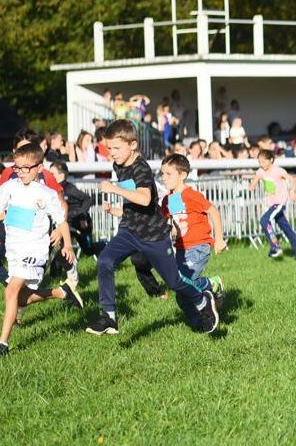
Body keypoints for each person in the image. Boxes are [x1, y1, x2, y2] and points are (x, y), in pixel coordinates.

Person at [87, 120, 219, 336]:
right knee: (105, 261)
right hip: (129, 230)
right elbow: (132, 202)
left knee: (174, 282)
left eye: (116, 148)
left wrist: (113, 189)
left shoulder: (141, 168)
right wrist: (116, 210)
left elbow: (145, 199)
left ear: (133, 145)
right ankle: (108, 316)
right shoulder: (118, 164)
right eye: (109, 148)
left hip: (153, 235)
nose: (111, 153)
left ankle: (202, 300)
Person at [0, 144, 83, 358]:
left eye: (27, 168)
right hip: (14, 250)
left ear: (39, 168)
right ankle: (60, 292)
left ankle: (2, 345)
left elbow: (61, 220)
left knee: (10, 291)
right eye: (18, 168)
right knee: (21, 299)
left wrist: (68, 244)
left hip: (34, 250)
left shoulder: (46, 193)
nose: (22, 172)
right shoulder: (10, 187)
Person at [158, 154, 227, 302]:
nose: (163, 177)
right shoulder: (167, 200)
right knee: (180, 291)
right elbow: (164, 223)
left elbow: (213, 211)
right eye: (162, 173)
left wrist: (219, 239)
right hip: (181, 249)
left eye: (168, 174)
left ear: (182, 175)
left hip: (198, 247)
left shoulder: (191, 195)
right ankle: (203, 318)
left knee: (183, 282)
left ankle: (211, 283)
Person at [248, 150, 296, 260]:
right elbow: (254, 182)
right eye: (260, 162)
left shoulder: (278, 171)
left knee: (264, 220)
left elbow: (294, 180)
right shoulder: (260, 171)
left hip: (279, 203)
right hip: (271, 204)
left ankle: (275, 246)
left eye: (264, 162)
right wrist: (251, 185)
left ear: (271, 160)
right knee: (285, 227)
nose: (262, 164)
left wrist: (292, 191)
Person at [47, 162, 100, 258]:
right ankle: (56, 272)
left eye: (52, 174)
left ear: (61, 175)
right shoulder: (50, 189)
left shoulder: (69, 189)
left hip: (79, 223)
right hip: (66, 224)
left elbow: (87, 199)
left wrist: (82, 217)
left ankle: (104, 245)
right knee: (59, 247)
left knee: (88, 250)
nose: (49, 176)